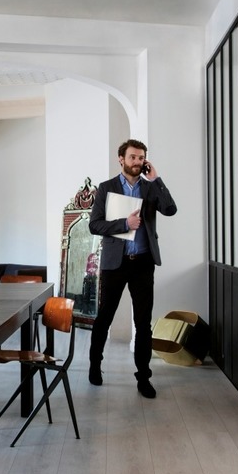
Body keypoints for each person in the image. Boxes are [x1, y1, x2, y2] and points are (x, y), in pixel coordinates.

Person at [88, 139, 177, 398]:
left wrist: (156, 179)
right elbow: (94, 225)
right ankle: (94, 365)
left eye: (141, 157)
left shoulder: (150, 188)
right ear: (121, 159)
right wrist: (124, 224)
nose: (137, 161)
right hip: (114, 264)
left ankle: (144, 377)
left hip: (143, 263)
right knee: (104, 317)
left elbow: (170, 209)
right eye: (133, 157)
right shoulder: (106, 188)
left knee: (143, 323)